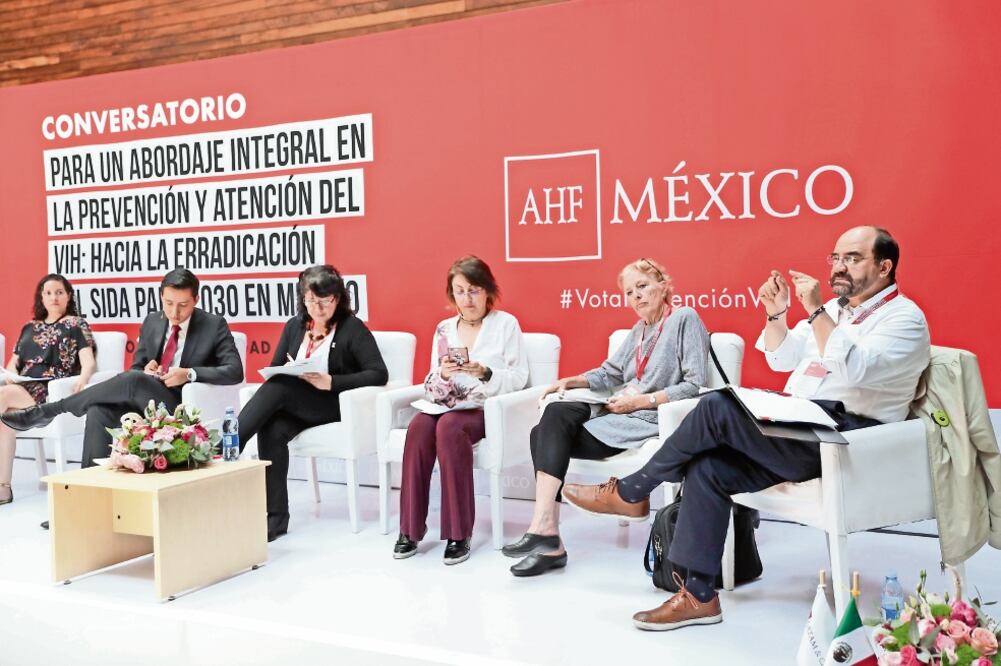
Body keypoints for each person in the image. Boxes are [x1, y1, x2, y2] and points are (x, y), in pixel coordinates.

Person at [561, 226, 930, 631]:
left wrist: (816, 312)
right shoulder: (839, 313)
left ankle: (633, 490)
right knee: (710, 466)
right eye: (836, 258)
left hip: (847, 438)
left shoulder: (905, 319)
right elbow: (782, 356)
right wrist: (777, 315)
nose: (839, 267)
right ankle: (699, 595)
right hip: (801, 423)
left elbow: (855, 368)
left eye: (853, 258)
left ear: (885, 266)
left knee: (718, 404)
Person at [501, 258, 710, 576]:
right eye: (629, 292)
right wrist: (571, 381)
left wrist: (641, 401)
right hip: (617, 408)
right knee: (552, 415)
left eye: (642, 286)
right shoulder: (639, 331)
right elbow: (611, 372)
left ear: (663, 285)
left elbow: (693, 386)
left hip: (647, 417)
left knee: (540, 433)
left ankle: (547, 537)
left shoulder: (684, 319)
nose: (636, 296)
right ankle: (545, 531)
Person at [2, 268, 243, 474]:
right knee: (99, 410)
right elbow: (137, 367)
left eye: (183, 305)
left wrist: (189, 373)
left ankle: (53, 409)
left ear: (196, 300)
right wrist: (148, 369)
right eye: (168, 303)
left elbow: (235, 370)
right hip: (148, 398)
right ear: (161, 296)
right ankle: (87, 493)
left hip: (180, 404)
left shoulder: (214, 324)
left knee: (134, 380)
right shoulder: (153, 321)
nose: (174, 313)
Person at [394, 256, 529, 565]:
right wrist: (442, 374)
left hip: (483, 408)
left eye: (474, 290)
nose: (467, 299)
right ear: (451, 294)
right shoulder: (443, 329)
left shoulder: (506, 324)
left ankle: (458, 532)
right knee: (417, 428)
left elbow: (520, 378)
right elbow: (430, 379)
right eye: (460, 291)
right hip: (444, 403)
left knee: (449, 429)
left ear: (488, 292)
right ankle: (410, 529)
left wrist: (485, 372)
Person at [238, 265, 388, 542]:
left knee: (281, 386)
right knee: (271, 428)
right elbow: (276, 368)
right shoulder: (295, 326)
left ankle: (227, 445)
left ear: (338, 299)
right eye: (310, 301)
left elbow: (378, 373)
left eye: (325, 301)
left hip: (332, 405)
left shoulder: (351, 328)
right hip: (298, 403)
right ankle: (276, 520)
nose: (317, 309)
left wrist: (331, 381)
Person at [0, 275, 96, 507]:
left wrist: (83, 379)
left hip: (50, 388)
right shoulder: (29, 327)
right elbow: (14, 363)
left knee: (1, 397)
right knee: (5, 421)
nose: (54, 297)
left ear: (68, 296)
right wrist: (11, 377)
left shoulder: (76, 324)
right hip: (21, 385)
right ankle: (3, 487)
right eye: (49, 293)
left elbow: (88, 361)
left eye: (59, 292)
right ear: (41, 297)